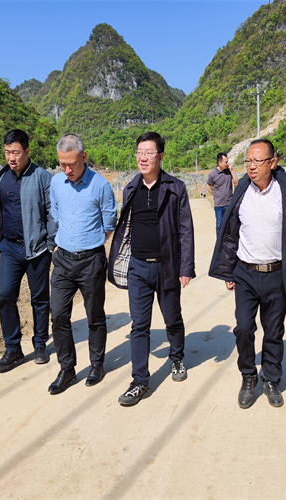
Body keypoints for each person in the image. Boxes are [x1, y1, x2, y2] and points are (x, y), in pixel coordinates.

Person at [209, 139, 286, 409]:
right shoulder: (241, 192)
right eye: (248, 161)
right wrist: (228, 270)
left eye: (258, 161)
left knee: (274, 331)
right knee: (243, 328)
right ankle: (248, 376)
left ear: (273, 162)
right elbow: (230, 235)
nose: (252, 166)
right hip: (245, 272)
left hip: (277, 273)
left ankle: (271, 379)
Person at [107, 131, 195, 406]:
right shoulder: (131, 188)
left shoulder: (175, 187)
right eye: (139, 153)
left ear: (160, 156)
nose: (142, 158)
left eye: (148, 153)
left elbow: (185, 230)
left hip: (167, 266)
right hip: (138, 268)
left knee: (172, 318)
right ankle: (139, 381)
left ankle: (177, 357)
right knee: (139, 325)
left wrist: (186, 267)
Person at [46, 134, 117, 395]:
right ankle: (67, 368)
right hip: (63, 261)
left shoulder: (101, 186)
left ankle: (97, 364)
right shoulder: (56, 182)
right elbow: (55, 213)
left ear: (84, 157)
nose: (67, 170)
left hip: (91, 262)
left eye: (72, 164)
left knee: (94, 316)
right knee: (58, 315)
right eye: (62, 164)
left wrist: (89, 243)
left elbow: (109, 224)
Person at [0, 129, 57, 373]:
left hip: (37, 249)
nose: (11, 157)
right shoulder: (1, 178)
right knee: (6, 296)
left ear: (27, 151)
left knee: (39, 299)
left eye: (15, 152)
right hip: (9, 248)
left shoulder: (42, 177)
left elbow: (52, 212)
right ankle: (13, 348)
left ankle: (40, 344)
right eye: (7, 152)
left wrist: (50, 243)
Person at [206, 152, 238, 235]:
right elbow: (208, 187)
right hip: (219, 206)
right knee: (219, 226)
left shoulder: (229, 172)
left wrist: (232, 171)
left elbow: (236, 182)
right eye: (226, 162)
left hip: (229, 204)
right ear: (219, 163)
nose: (228, 163)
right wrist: (215, 195)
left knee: (230, 225)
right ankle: (219, 241)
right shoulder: (212, 175)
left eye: (227, 161)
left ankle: (228, 241)